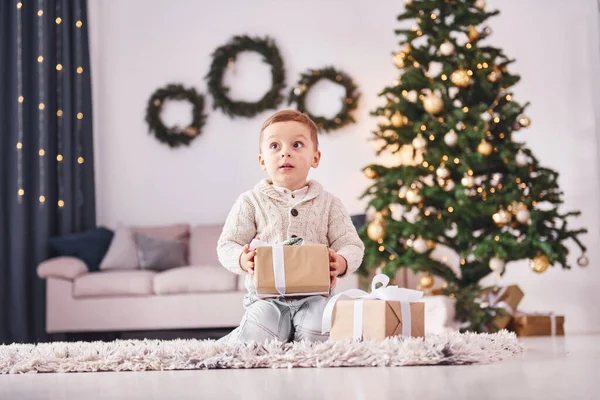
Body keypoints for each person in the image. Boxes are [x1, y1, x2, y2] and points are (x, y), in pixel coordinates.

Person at [217, 109, 364, 343]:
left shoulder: (329, 203)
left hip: (315, 297)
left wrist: (343, 261)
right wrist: (241, 259)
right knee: (261, 332)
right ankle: (233, 343)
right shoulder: (251, 201)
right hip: (267, 299)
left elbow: (351, 244)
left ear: (315, 158)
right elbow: (227, 244)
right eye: (275, 146)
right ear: (262, 160)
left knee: (319, 331)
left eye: (296, 145)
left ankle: (301, 337)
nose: (285, 152)